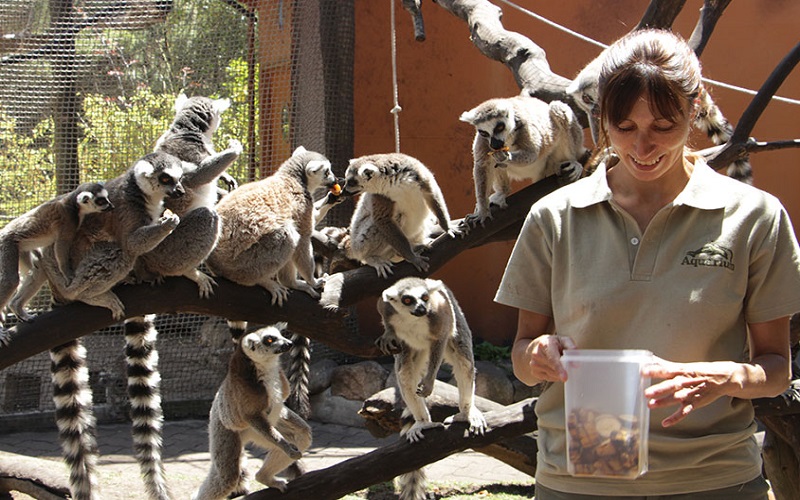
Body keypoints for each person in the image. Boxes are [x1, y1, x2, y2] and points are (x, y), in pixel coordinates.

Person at [495, 28, 800, 499]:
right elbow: (521, 354)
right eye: (624, 128)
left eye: (662, 127)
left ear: (695, 108)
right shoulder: (555, 216)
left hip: (714, 480)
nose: (642, 147)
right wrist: (537, 357)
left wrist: (724, 378)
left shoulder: (754, 217)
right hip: (579, 480)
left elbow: (775, 367)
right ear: (601, 119)